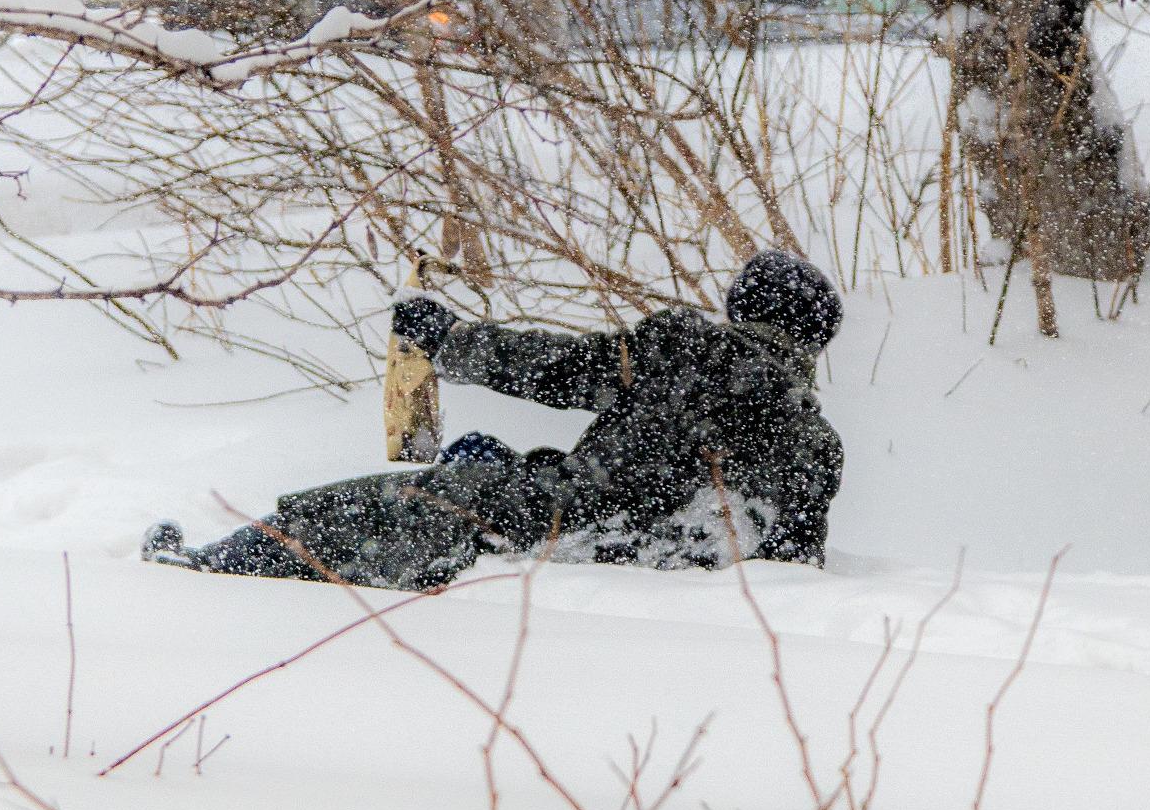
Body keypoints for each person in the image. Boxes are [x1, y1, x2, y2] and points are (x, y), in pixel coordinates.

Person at [142, 251, 845, 591]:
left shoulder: (696, 347)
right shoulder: (820, 443)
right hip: (667, 548)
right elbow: (791, 560)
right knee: (481, 453)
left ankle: (211, 569)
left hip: (578, 525)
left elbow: (561, 369)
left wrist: (448, 341)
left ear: (741, 307)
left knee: (370, 508)